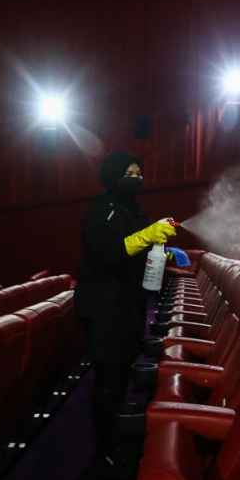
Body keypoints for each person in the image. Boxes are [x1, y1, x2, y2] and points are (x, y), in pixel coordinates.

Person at [74, 150, 176, 460]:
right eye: (128, 175)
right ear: (112, 176)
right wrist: (146, 236)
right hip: (104, 302)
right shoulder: (101, 208)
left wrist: (160, 255)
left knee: (121, 372)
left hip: (128, 303)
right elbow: (105, 251)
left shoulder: (136, 210)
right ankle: (106, 449)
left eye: (138, 175)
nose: (136, 180)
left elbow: (139, 250)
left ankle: (118, 434)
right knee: (110, 378)